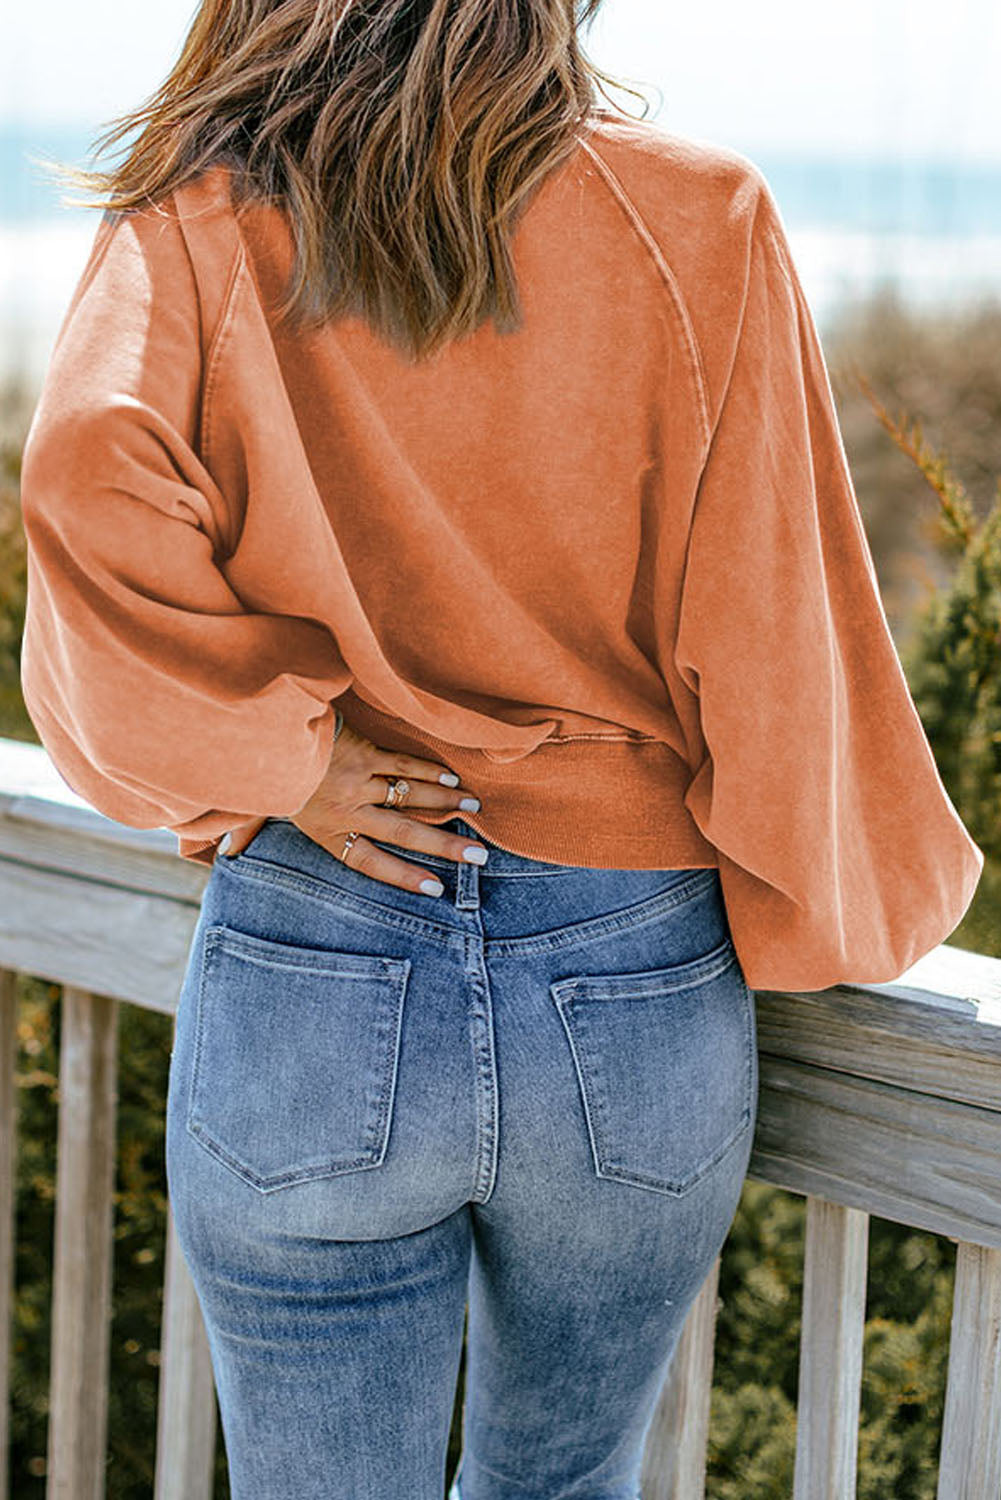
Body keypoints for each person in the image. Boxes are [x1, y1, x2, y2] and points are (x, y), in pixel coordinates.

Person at [17, 0, 983, 1495]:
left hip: (318, 953)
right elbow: (771, 614)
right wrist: (835, 906)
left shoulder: (199, 215)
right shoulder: (698, 217)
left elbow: (89, 488)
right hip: (630, 980)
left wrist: (293, 762)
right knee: (565, 1482)